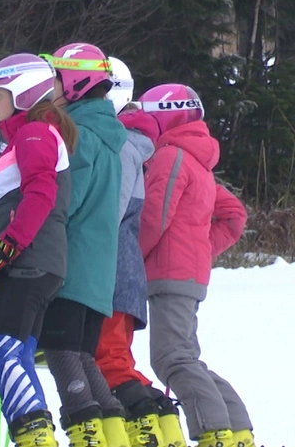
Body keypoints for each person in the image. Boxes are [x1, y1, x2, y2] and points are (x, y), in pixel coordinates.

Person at [137, 83, 253, 447]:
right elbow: (234, 215)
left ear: (164, 117)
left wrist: (129, 258)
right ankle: (236, 428)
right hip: (185, 273)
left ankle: (213, 431)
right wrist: (198, 248)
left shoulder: (171, 156)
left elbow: (154, 216)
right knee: (184, 357)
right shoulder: (196, 161)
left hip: (170, 275)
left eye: (150, 116)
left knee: (171, 358)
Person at [0, 52, 77, 447]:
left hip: (28, 263)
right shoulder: (31, 133)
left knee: (0, 355)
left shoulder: (33, 132)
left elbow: (41, 191)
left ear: (20, 93)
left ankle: (35, 438)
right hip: (36, 262)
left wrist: (8, 246)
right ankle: (36, 437)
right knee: (16, 356)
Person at [36, 43, 130, 447]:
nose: (48, 87)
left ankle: (87, 433)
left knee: (61, 353)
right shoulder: (104, 135)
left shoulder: (80, 138)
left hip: (70, 267)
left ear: (75, 84)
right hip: (94, 272)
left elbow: (64, 203)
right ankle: (113, 434)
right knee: (80, 356)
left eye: (54, 79)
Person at [94, 56, 181, 447]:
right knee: (115, 362)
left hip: (110, 275)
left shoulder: (121, 145)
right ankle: (162, 427)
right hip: (116, 274)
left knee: (109, 363)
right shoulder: (125, 141)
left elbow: (108, 215)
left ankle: (150, 430)